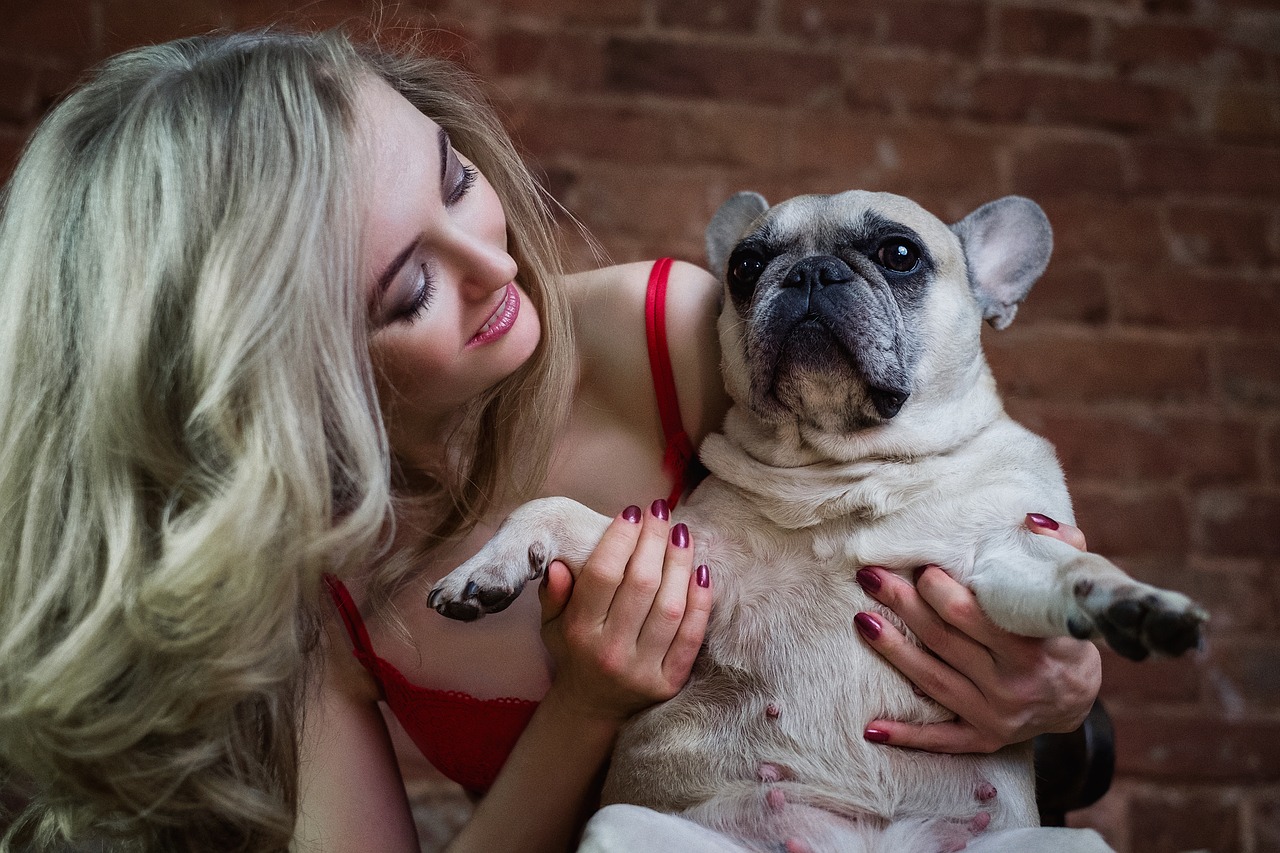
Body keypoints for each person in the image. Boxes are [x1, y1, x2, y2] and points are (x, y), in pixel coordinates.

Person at [0, 28, 1101, 853]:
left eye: (454, 179)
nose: (493, 265)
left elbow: (981, 559)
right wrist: (582, 710)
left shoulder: (681, 345)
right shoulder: (312, 586)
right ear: (270, 370)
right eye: (410, 285)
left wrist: (1062, 699)